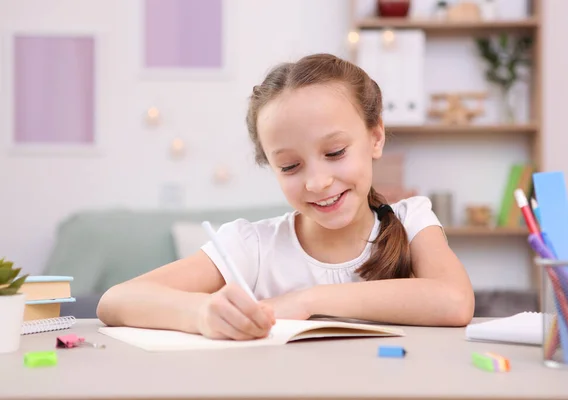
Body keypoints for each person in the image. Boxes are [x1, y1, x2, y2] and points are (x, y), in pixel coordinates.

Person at [97, 53, 474, 341]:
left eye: (335, 152)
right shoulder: (252, 246)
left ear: (376, 137)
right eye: (291, 167)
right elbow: (117, 300)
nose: (317, 182)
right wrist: (201, 313)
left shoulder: (412, 220)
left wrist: (308, 302)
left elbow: (455, 302)